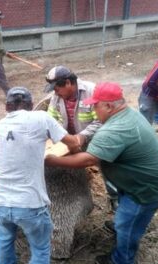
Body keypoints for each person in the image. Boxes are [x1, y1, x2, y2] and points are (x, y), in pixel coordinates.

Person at [45, 82, 158, 264]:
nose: (93, 110)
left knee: (127, 228)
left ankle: (120, 259)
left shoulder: (114, 129)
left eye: (95, 105)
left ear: (108, 106)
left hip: (144, 189)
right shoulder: (129, 114)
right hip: (134, 182)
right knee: (124, 214)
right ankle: (122, 224)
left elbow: (88, 160)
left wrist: (51, 159)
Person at [0, 86, 80, 264]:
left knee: (4, 240)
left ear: (6, 106)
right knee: (40, 248)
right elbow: (71, 142)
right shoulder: (41, 118)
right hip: (29, 203)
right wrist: (77, 149)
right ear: (31, 104)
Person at [44, 65, 118, 209]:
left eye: (57, 88)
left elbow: (101, 121)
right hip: (69, 139)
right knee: (64, 164)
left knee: (106, 165)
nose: (55, 92)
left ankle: (114, 197)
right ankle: (76, 195)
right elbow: (50, 119)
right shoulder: (57, 97)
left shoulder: (92, 92)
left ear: (68, 83)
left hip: (95, 137)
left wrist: (81, 137)